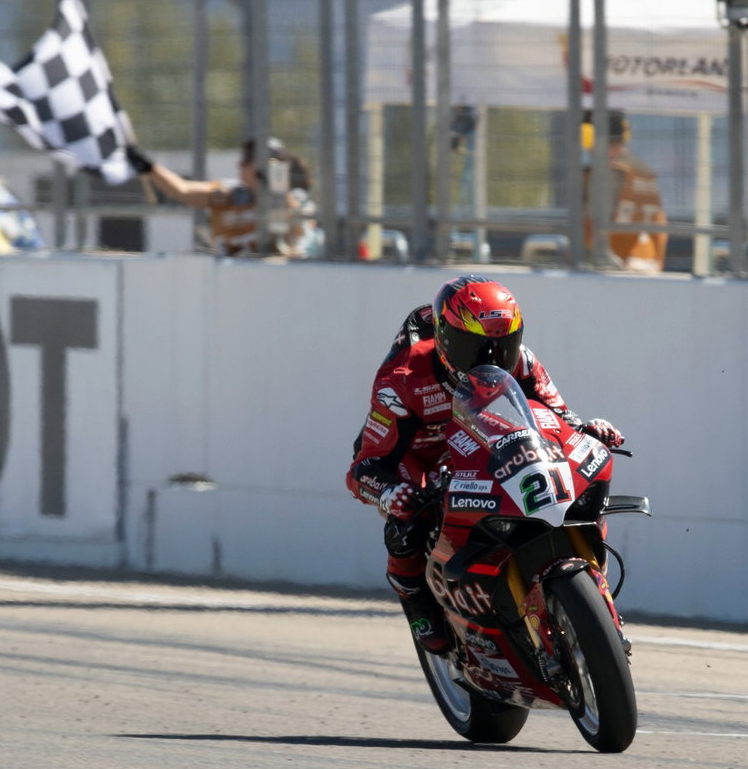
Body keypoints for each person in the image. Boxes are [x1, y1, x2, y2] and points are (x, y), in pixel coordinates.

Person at [345, 275, 625, 653]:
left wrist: (588, 429)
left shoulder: (523, 362)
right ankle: (417, 606)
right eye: (473, 347)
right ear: (444, 339)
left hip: (484, 444)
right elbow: (364, 469)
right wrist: (391, 492)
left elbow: (559, 415)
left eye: (502, 345)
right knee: (408, 522)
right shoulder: (402, 381)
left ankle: (588, 585)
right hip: (419, 455)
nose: (490, 359)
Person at [129, 137, 322, 257]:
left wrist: (274, 185)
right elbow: (183, 191)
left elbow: (290, 245)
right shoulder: (227, 194)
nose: (240, 164)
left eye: (248, 159)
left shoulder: (290, 201)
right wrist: (149, 167)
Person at [582, 110, 669, 272]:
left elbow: (593, 225)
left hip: (615, 263)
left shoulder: (607, 173)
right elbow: (660, 225)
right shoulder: (644, 171)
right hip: (645, 259)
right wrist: (658, 262)